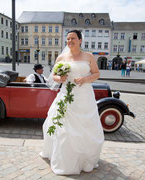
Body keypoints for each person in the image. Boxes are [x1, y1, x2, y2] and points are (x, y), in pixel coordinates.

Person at [40, 30, 104, 175]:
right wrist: (60, 79)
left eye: (73, 38)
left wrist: (85, 79)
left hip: (84, 97)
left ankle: (84, 158)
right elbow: (53, 76)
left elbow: (96, 73)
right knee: (62, 128)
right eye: (68, 39)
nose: (70, 41)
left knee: (85, 128)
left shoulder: (88, 56)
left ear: (80, 40)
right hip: (66, 96)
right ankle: (64, 160)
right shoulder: (62, 57)